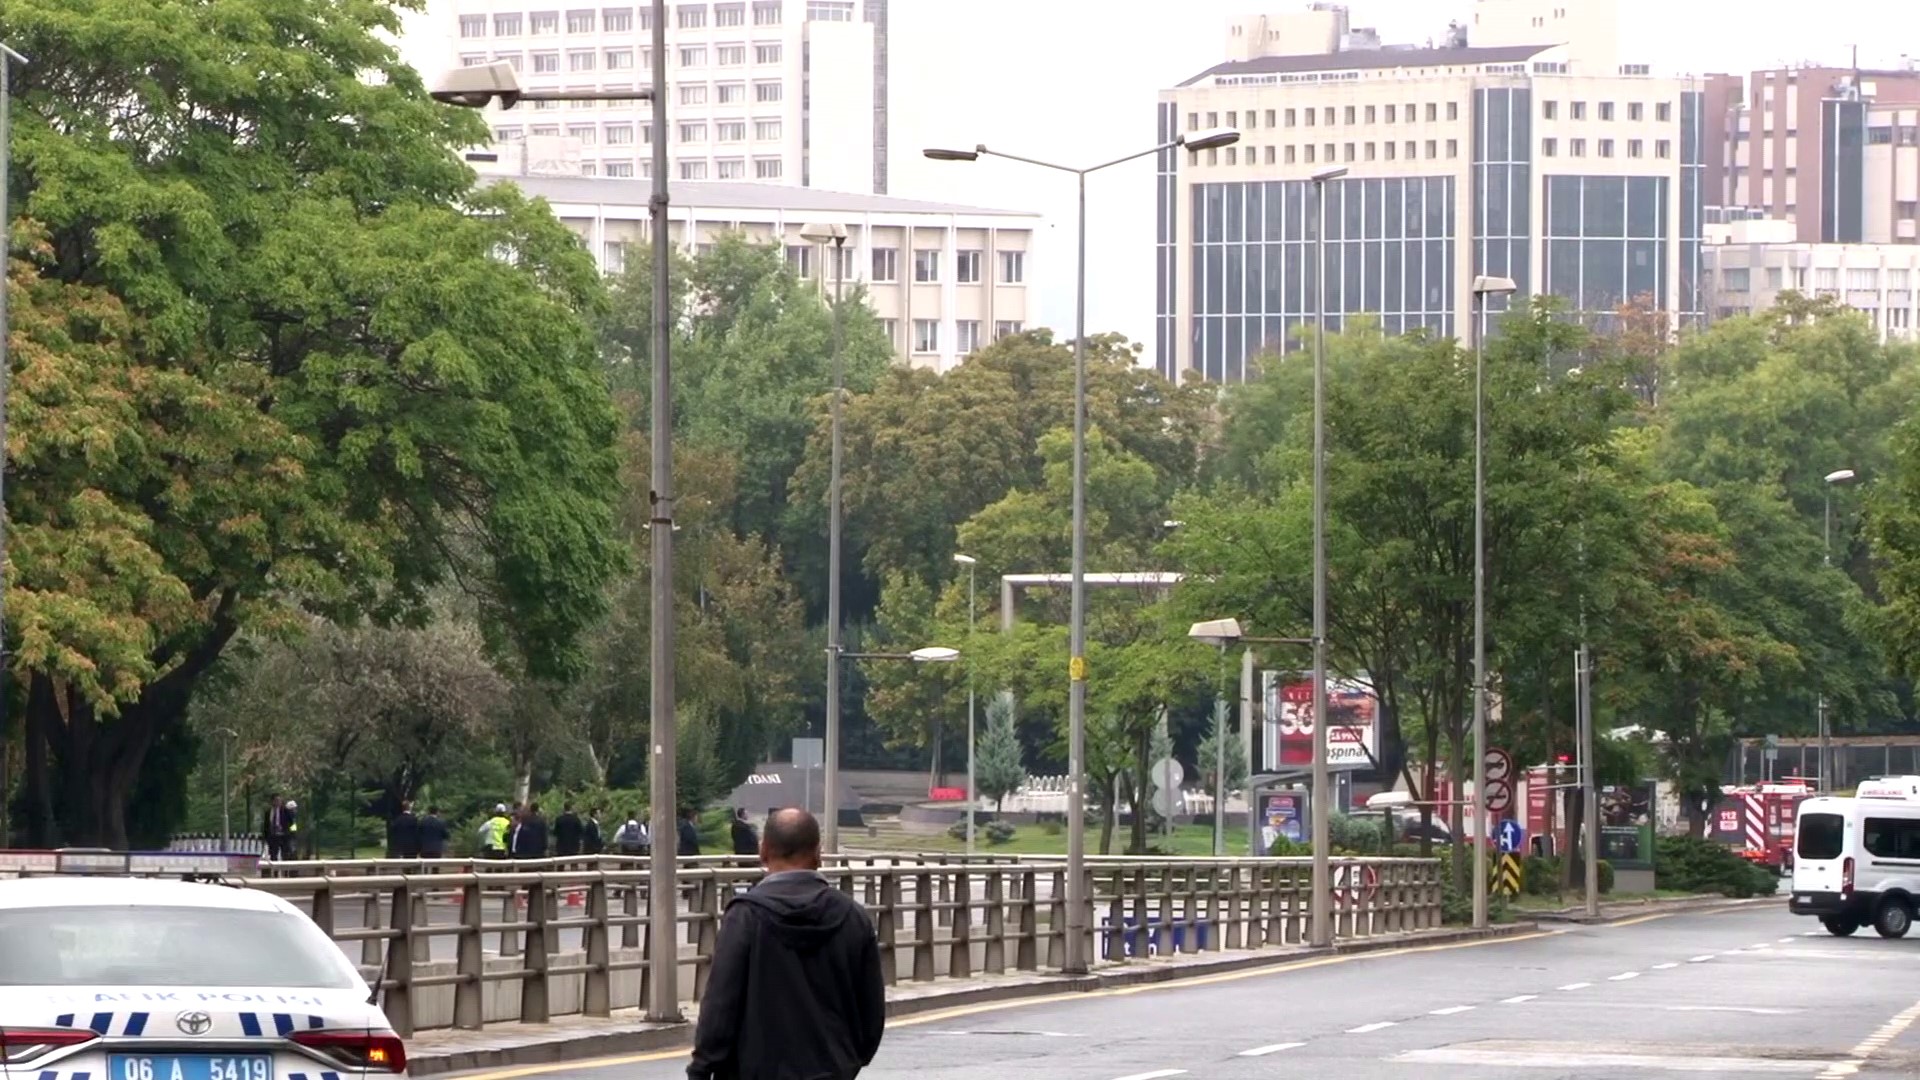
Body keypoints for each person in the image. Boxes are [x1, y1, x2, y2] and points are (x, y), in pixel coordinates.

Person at [688, 808, 885, 1080]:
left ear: (763, 850)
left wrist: (702, 1067)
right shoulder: (853, 917)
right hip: (831, 1070)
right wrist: (849, 1060)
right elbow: (871, 1009)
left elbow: (721, 1003)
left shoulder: (745, 916)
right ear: (818, 853)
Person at [261, 794, 289, 862]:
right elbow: (266, 825)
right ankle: (275, 871)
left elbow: (291, 823)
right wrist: (265, 837)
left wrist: (290, 833)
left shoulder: (285, 811)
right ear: (272, 801)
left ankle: (284, 871)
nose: (278, 802)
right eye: (276, 800)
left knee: (285, 855)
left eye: (280, 800)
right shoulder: (268, 812)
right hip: (272, 836)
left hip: (283, 836)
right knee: (273, 855)